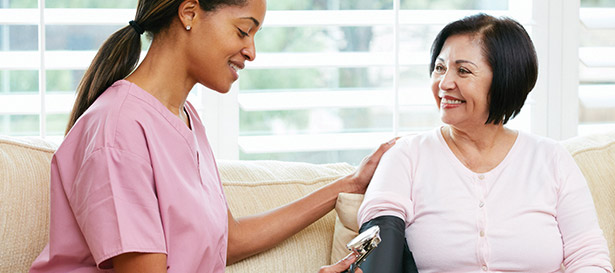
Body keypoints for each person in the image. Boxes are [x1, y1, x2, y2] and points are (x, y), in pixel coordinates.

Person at [28, 0, 390, 272]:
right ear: (189, 12)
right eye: (243, 31)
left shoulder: (186, 118)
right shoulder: (118, 129)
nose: (251, 51)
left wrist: (351, 185)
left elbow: (228, 239)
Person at [357, 13, 613, 272]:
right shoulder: (406, 157)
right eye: (440, 67)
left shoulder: (551, 159)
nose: (444, 83)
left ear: (505, 79)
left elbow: (588, 258)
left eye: (463, 70)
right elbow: (378, 252)